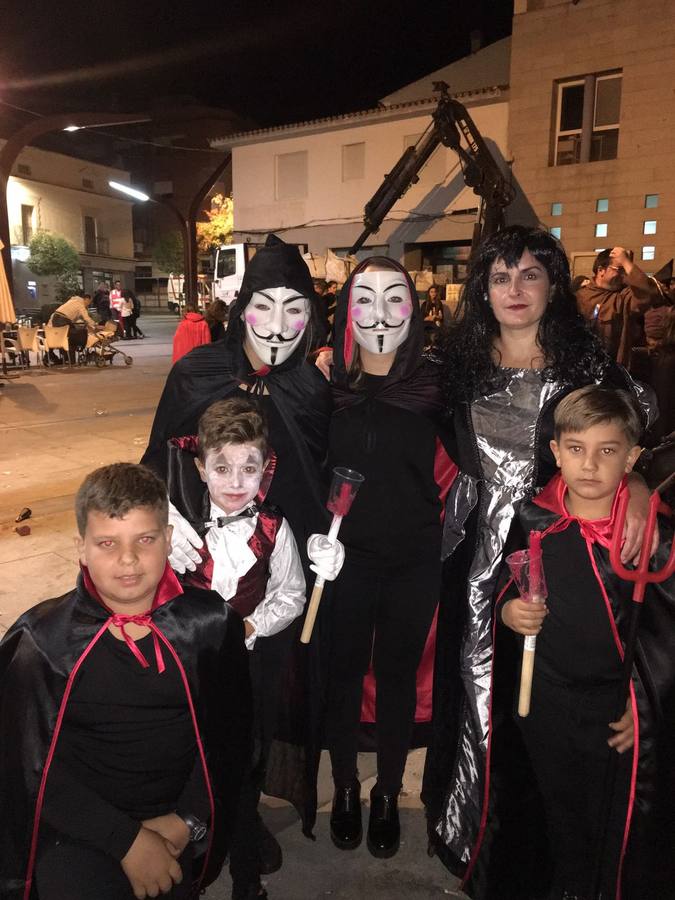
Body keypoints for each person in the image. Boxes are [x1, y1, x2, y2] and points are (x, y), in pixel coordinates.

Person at [423, 226, 656, 893]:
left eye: (530, 274)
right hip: (473, 564)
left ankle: (541, 855)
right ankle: (473, 835)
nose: (515, 289)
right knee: (473, 700)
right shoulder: (453, 368)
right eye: (500, 277)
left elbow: (631, 432)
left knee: (535, 716)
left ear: (554, 285)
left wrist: (633, 483)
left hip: (555, 559)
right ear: (482, 290)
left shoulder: (584, 369)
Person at [142, 233, 332, 835]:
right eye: (264, 305)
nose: (278, 325)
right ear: (242, 306)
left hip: (274, 581)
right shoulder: (195, 373)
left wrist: (323, 539)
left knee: (260, 706)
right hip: (195, 576)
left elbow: (321, 477)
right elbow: (156, 461)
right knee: (189, 706)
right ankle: (192, 817)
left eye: (294, 308)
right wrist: (165, 518)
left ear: (312, 315)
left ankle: (241, 817)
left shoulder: (311, 389)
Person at [0, 462, 251, 900]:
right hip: (77, 828)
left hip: (174, 819)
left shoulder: (208, 627)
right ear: (81, 548)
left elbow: (231, 737)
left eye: (145, 539)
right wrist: (126, 841)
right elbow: (25, 764)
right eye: (107, 543)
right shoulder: (43, 643)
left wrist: (186, 821)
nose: (128, 559)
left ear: (169, 540)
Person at [484, 386, 675, 900]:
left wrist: (650, 708)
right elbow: (506, 586)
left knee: (613, 814)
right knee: (554, 803)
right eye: (575, 449)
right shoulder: (535, 520)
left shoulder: (649, 538)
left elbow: (666, 638)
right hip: (544, 698)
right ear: (555, 453)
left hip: (615, 710)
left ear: (632, 457)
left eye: (608, 451)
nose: (589, 464)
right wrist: (509, 610)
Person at [309, 257, 456, 860]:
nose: (378, 314)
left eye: (393, 298)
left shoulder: (437, 385)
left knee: (396, 679)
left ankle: (389, 792)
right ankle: (346, 785)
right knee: (341, 676)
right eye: (363, 300)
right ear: (346, 311)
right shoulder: (325, 384)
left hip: (412, 560)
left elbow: (495, 452)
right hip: (341, 561)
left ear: (413, 311)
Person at [168, 397, 343, 900]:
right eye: (222, 467)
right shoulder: (179, 530)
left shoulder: (273, 527)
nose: (236, 481)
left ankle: (247, 875)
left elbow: (290, 593)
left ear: (265, 469)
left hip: (245, 674)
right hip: (187, 674)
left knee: (244, 765)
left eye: (248, 468)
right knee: (191, 764)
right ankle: (192, 858)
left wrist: (251, 627)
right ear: (201, 468)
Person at [576, 247, 659, 367]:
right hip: (583, 365)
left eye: (624, 270)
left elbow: (646, 294)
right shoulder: (580, 296)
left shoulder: (624, 297)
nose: (623, 275)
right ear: (601, 270)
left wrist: (626, 262)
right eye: (619, 269)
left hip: (613, 368)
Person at [48, 294, 100, 364]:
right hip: (62, 320)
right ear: (86, 299)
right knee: (72, 338)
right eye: (89, 302)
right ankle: (70, 359)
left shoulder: (73, 301)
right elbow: (86, 317)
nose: (89, 304)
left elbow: (73, 316)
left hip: (57, 318)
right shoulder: (80, 304)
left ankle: (67, 359)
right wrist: (95, 325)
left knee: (67, 338)